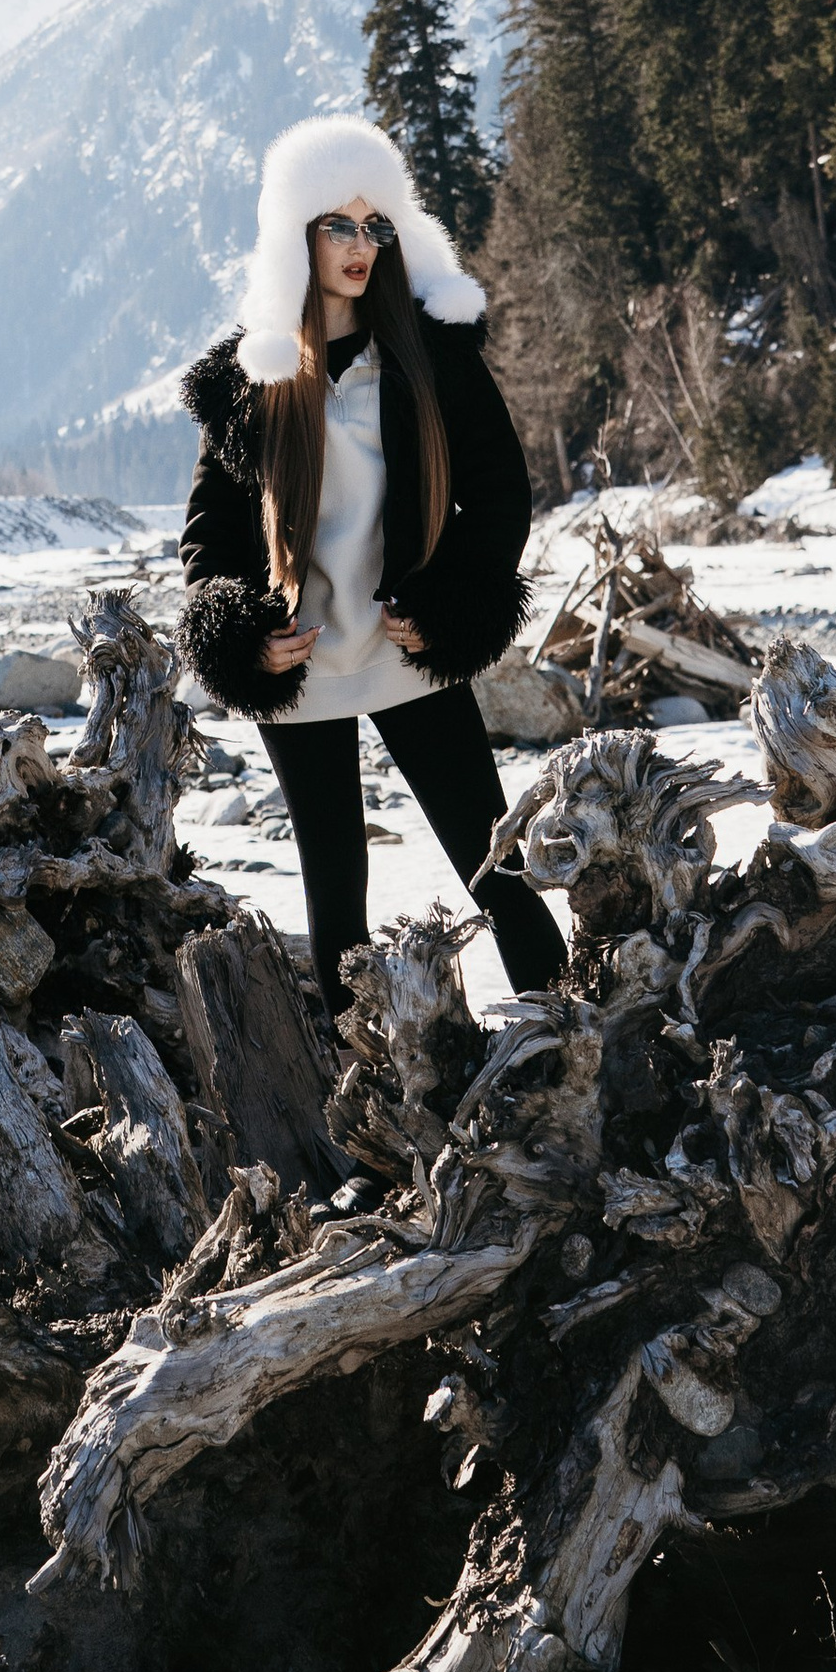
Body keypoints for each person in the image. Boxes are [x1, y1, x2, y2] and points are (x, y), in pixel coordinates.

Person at [178, 110, 566, 1011]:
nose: (361, 245)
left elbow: (502, 493)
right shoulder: (250, 378)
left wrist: (454, 600)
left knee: (497, 866)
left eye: (376, 224)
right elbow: (208, 538)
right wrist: (239, 633)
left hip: (409, 646)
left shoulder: (431, 355)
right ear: (297, 238)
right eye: (339, 225)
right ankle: (364, 1107)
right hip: (303, 662)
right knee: (337, 897)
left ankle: (575, 1042)